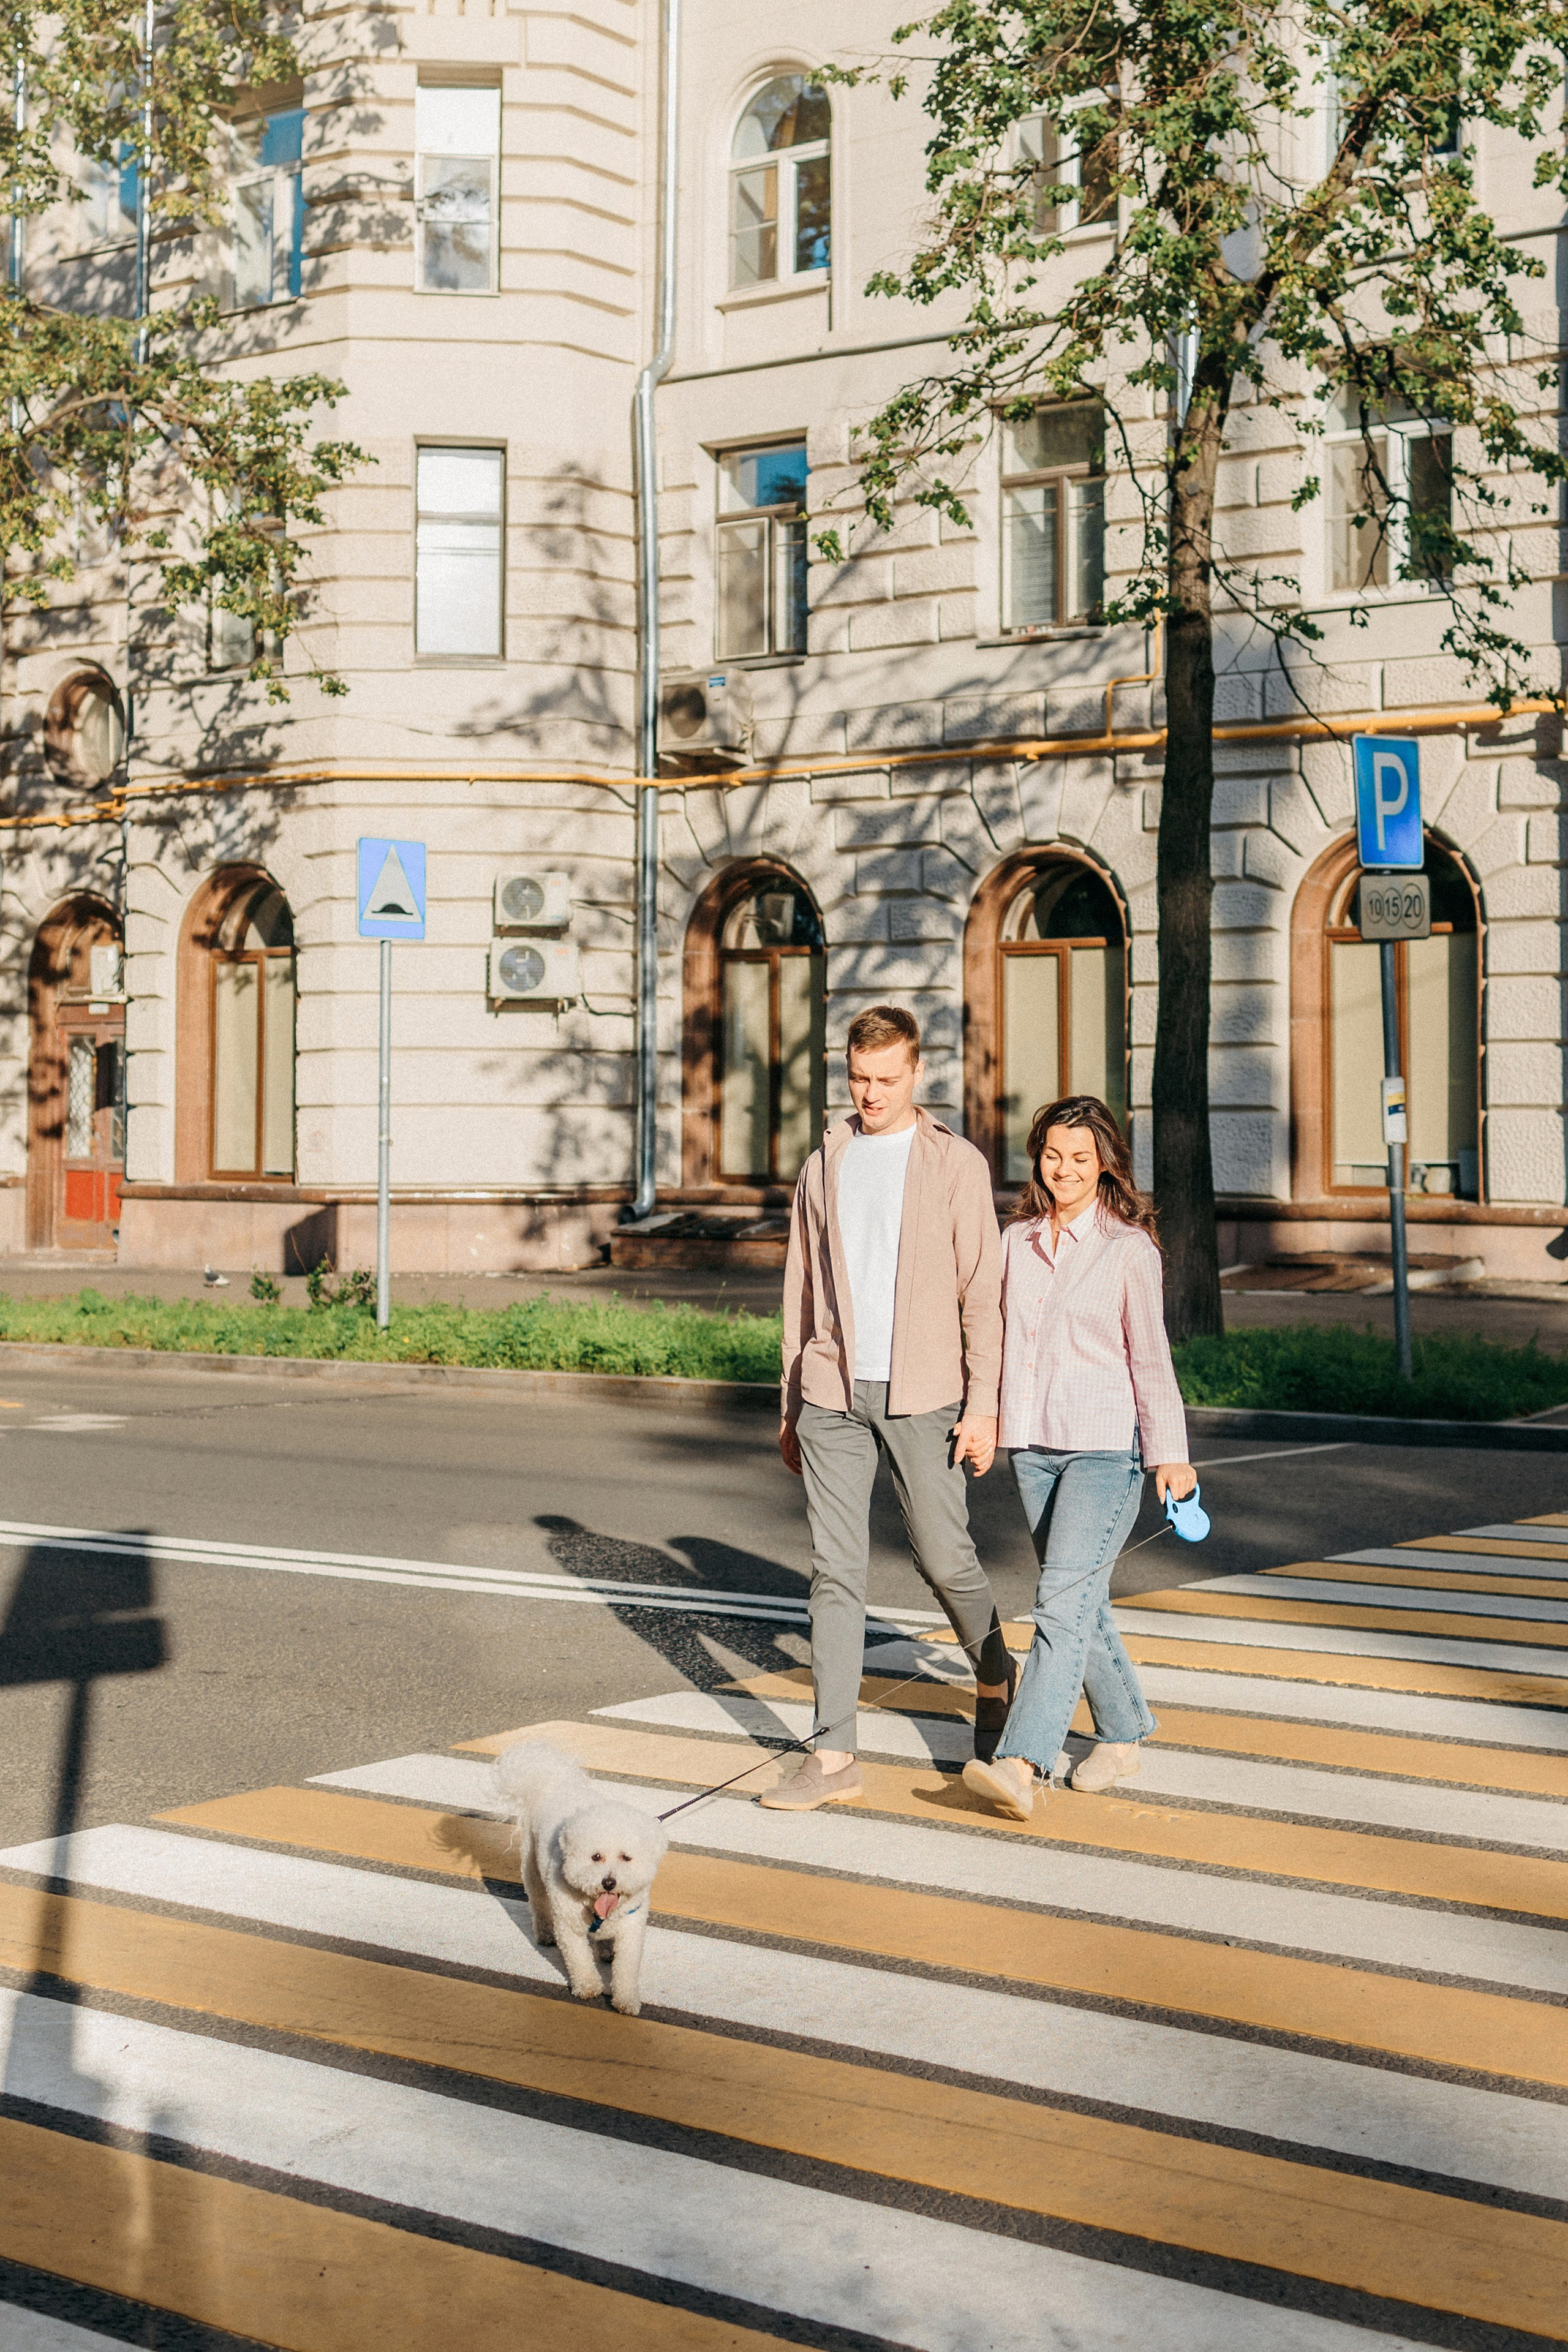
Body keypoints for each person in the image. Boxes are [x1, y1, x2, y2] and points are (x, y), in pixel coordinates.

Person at [764, 1003, 1015, 1811]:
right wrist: (790, 1400)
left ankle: (995, 1669)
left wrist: (984, 1406)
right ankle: (834, 1757)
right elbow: (799, 1291)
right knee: (835, 1571)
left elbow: (983, 1292)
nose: (870, 1094)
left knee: (944, 1556)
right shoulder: (825, 1163)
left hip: (926, 1390)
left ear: (916, 1074)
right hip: (833, 1391)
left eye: (886, 1080)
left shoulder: (954, 1164)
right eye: (858, 1078)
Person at [962, 1093, 1197, 1823]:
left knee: (1060, 1605)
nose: (1063, 1169)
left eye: (1080, 1159)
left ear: (1106, 1167)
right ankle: (1124, 1733)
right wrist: (986, 1419)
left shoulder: (1128, 1249)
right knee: (1079, 1603)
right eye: (1052, 1155)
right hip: (1032, 1446)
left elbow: (1150, 1359)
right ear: (1037, 1157)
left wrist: (1171, 1455)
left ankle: (1020, 1761)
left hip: (1105, 1450)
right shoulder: (1015, 1241)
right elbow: (994, 1342)